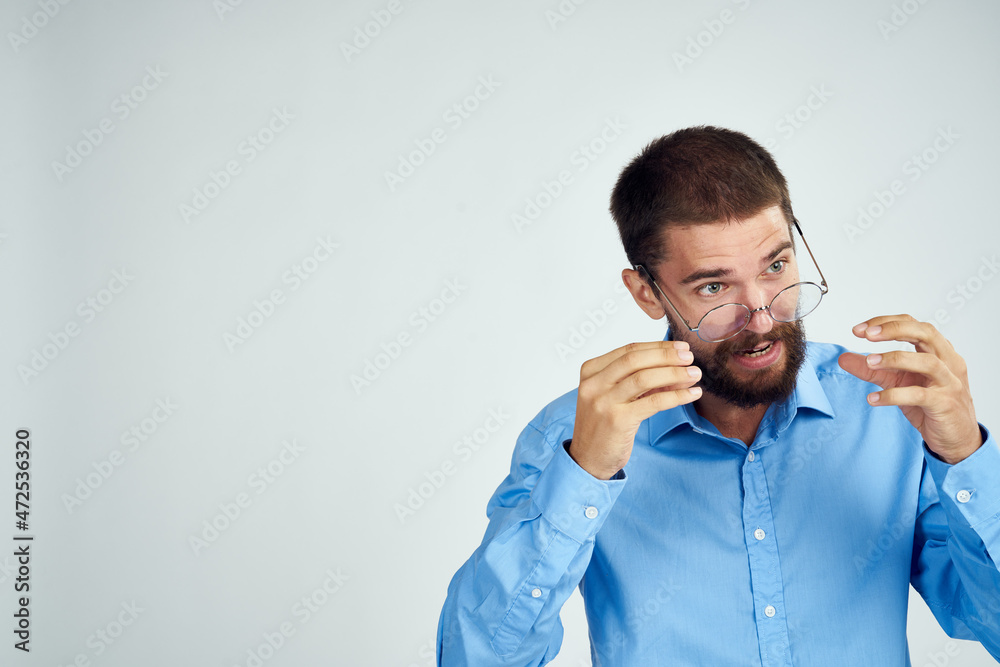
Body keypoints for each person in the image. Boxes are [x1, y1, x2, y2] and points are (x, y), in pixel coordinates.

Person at [436, 126, 999, 665]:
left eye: (776, 266)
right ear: (647, 293)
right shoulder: (575, 436)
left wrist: (964, 456)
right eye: (714, 286)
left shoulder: (892, 411)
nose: (762, 317)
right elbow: (477, 658)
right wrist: (583, 476)